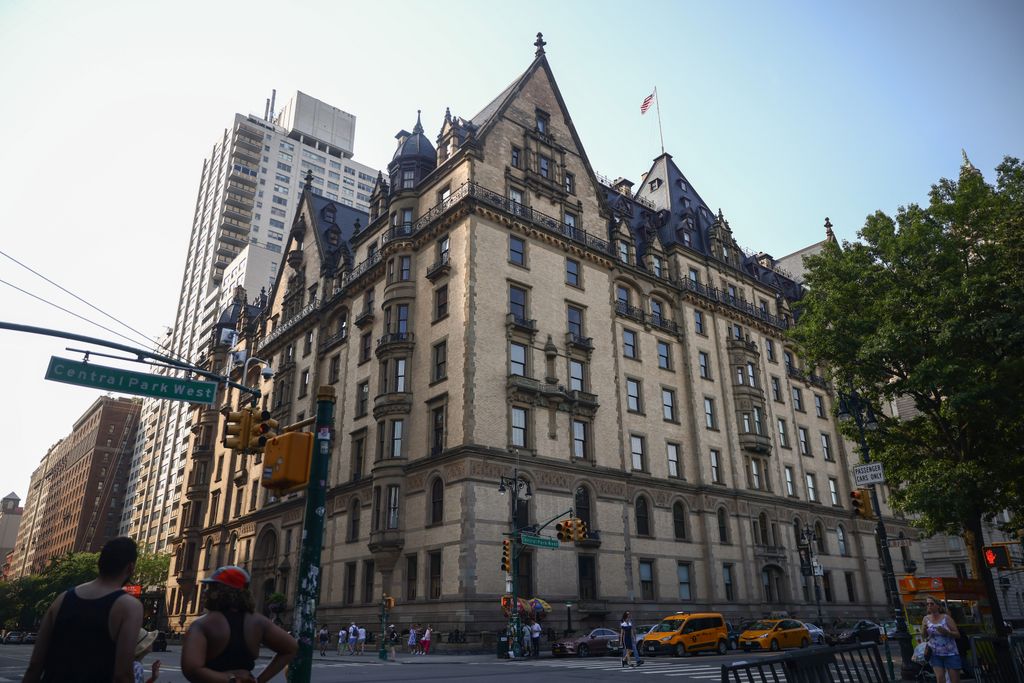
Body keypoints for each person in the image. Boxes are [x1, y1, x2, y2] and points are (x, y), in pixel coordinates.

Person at [24, 535, 145, 683]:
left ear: (100, 562)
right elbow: (123, 675)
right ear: (130, 568)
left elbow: (35, 665)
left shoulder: (62, 599)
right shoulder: (130, 606)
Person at [180, 565, 297, 683]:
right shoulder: (259, 622)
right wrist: (259, 680)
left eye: (210, 587)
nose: (205, 591)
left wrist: (232, 679)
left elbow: (191, 669)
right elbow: (291, 648)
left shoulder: (202, 624)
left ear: (219, 592)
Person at [923, 597, 961, 683]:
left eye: (932, 604)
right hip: (935, 653)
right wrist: (924, 630)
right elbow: (924, 637)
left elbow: (958, 635)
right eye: (927, 604)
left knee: (954, 680)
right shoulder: (926, 619)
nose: (929, 606)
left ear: (938, 606)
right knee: (940, 679)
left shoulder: (946, 618)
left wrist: (947, 632)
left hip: (950, 653)